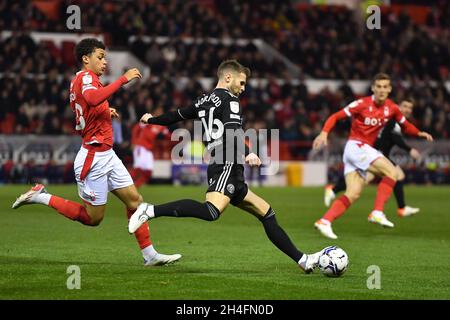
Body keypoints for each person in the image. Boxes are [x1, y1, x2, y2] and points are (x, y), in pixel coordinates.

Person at [127, 60, 325, 273]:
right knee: (211, 211)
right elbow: (233, 132)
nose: (243, 88)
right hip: (227, 160)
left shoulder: (204, 100)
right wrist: (248, 153)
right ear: (228, 77)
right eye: (241, 82)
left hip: (227, 163)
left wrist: (152, 120)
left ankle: (302, 259)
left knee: (267, 213)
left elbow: (177, 115)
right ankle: (150, 210)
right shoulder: (230, 101)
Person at [12, 38, 181, 266]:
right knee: (94, 219)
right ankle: (41, 196)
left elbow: (86, 105)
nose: (104, 62)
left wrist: (104, 111)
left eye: (105, 57)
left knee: (135, 201)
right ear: (86, 58)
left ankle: (149, 255)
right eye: (100, 57)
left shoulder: (83, 81)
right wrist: (123, 79)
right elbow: (91, 99)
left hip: (107, 154)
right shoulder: (86, 78)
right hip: (93, 157)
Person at [313, 73, 433, 239]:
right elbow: (335, 116)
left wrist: (419, 132)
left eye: (385, 87)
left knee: (353, 193)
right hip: (357, 146)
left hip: (358, 152)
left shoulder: (392, 108)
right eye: (379, 87)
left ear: (390, 89)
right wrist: (324, 133)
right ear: (373, 88)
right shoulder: (361, 104)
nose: (382, 90)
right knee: (393, 173)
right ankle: (377, 212)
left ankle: (325, 221)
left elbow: (405, 126)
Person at [324, 98, 422, 217]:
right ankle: (390, 210)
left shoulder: (394, 120)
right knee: (378, 178)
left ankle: (333, 192)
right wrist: (409, 149)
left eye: (410, 108)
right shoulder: (392, 119)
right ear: (398, 106)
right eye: (405, 106)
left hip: (377, 153)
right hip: (372, 153)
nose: (407, 110)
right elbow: (395, 138)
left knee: (378, 178)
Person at [129, 120, 170, 188]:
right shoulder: (149, 121)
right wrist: (133, 142)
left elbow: (168, 135)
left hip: (149, 150)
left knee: (149, 172)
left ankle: (136, 186)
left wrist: (177, 137)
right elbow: (137, 128)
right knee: (138, 169)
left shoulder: (162, 127)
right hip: (141, 147)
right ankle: (122, 185)